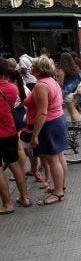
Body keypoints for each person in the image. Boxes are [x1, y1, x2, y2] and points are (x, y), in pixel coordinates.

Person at [23, 56, 68, 206]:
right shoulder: (52, 81)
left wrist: (35, 134)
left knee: (53, 159)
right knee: (59, 156)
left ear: (38, 69)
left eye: (33, 66)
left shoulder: (41, 85)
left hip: (49, 125)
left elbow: (42, 112)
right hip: (58, 120)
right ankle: (61, 186)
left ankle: (58, 192)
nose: (30, 68)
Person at [0, 58, 30, 213]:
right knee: (15, 165)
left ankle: (7, 204)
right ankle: (24, 198)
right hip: (10, 131)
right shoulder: (12, 88)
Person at [57, 52, 81, 122]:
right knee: (74, 110)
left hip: (67, 93)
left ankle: (78, 128)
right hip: (76, 91)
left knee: (72, 112)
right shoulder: (76, 68)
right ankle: (79, 127)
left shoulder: (62, 70)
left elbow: (61, 84)